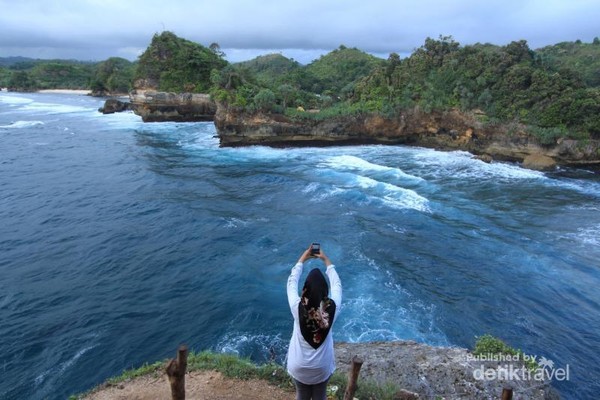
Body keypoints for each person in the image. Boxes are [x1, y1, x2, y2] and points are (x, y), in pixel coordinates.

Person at [286, 244, 342, 400]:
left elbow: (291, 282)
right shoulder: (332, 309)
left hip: (298, 365)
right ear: (325, 291)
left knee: (302, 395)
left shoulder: (297, 308)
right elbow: (337, 285)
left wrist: (303, 258)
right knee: (320, 396)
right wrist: (326, 260)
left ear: (305, 290)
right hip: (322, 367)